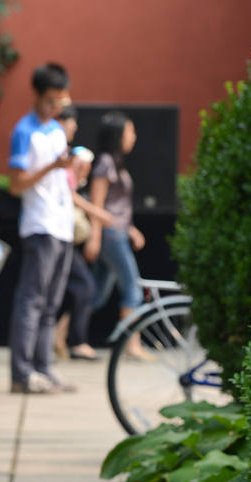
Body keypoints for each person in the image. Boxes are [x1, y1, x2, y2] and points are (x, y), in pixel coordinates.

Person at [7, 63, 77, 394]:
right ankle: (21, 374)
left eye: (60, 101)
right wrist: (52, 166)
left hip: (62, 226)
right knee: (32, 300)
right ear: (38, 96)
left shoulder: (57, 131)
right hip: (40, 224)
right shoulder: (25, 131)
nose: (56, 108)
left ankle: (43, 368)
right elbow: (15, 184)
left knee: (50, 304)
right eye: (51, 101)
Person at [85, 111, 150, 359]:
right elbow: (98, 202)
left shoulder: (115, 162)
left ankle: (60, 334)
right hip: (109, 234)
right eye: (129, 131)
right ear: (117, 135)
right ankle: (131, 344)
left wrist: (131, 228)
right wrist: (95, 237)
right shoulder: (105, 162)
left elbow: (117, 204)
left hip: (117, 231)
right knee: (132, 286)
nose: (133, 137)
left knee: (97, 294)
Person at [53, 104, 114, 360]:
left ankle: (60, 336)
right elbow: (68, 197)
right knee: (82, 287)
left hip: (63, 236)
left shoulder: (67, 165)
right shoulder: (61, 161)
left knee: (77, 289)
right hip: (54, 234)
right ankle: (72, 340)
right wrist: (98, 213)